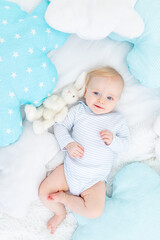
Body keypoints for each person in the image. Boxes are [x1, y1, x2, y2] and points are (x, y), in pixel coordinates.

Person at [39, 66, 130, 234]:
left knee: (94, 211)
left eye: (109, 97)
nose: (101, 100)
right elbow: (60, 126)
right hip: (69, 171)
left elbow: (125, 144)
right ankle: (59, 212)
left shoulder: (117, 120)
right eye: (96, 93)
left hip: (94, 180)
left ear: (117, 100)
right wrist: (68, 144)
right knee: (44, 192)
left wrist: (113, 141)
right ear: (86, 91)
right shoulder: (79, 111)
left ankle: (65, 199)